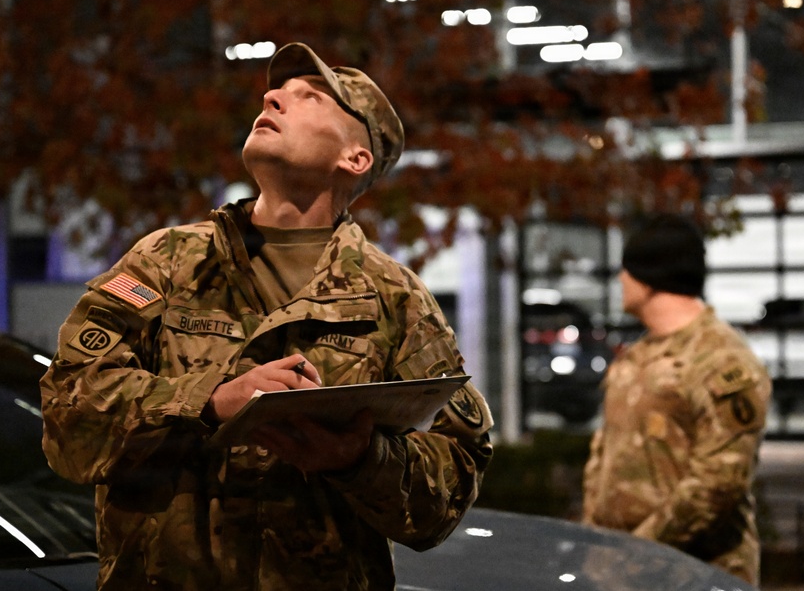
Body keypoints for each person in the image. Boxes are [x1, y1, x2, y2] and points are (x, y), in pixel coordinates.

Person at [39, 42, 493, 591]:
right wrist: (209, 400)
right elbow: (68, 409)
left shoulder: (394, 298)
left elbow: (451, 483)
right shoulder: (166, 262)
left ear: (356, 158)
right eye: (277, 90)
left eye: (311, 97)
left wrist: (360, 458)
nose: (273, 96)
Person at [581, 213, 771, 585]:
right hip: (623, 573)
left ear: (654, 276)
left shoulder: (722, 361)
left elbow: (719, 483)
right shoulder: (636, 358)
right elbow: (604, 456)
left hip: (695, 574)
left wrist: (639, 550)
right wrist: (598, 546)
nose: (620, 279)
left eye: (628, 269)